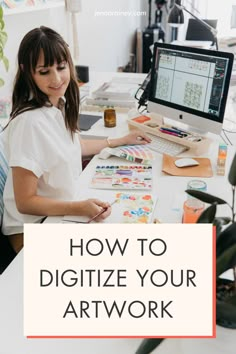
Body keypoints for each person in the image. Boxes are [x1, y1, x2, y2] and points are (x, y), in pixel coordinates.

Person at [1, 26, 151, 253]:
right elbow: (25, 201)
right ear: (27, 71)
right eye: (44, 71)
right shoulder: (28, 123)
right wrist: (78, 208)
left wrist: (119, 140)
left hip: (59, 214)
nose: (57, 78)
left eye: (61, 67)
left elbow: (75, 146)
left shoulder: (59, 102)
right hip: (32, 231)